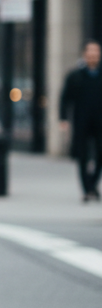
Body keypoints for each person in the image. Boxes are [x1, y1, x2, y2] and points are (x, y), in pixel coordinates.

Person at [59, 40, 102, 201]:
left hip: (100, 123)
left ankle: (92, 184)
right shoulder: (75, 76)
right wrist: (63, 119)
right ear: (85, 54)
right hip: (81, 121)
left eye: (96, 51)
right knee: (82, 156)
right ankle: (87, 189)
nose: (93, 55)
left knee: (100, 154)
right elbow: (65, 98)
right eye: (90, 51)